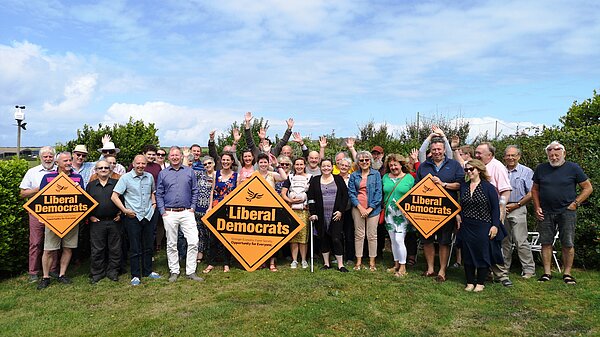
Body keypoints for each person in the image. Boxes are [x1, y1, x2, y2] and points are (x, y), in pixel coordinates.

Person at [532, 141, 593, 285]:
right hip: (545, 212)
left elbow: (588, 188)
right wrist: (537, 207)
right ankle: (547, 273)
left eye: (556, 155)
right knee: (545, 243)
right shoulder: (541, 168)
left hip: (567, 211)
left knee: (567, 243)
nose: (553, 157)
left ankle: (567, 273)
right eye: (551, 155)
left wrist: (576, 203)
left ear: (563, 153)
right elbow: (534, 190)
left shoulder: (573, 168)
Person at [416, 137, 464, 282]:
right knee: (427, 239)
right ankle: (430, 268)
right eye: (434, 149)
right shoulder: (423, 166)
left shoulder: (454, 165)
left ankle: (442, 271)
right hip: (426, 210)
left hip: (446, 210)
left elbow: (460, 185)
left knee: (444, 241)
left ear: (444, 150)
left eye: (439, 149)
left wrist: (443, 184)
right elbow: (416, 187)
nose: (436, 152)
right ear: (430, 151)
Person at [37, 152, 85, 289]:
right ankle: (45, 277)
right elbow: (41, 198)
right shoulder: (48, 177)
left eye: (70, 160)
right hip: (53, 220)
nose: (69, 163)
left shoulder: (78, 177)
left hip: (71, 220)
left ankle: (62, 274)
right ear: (57, 163)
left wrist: (79, 191)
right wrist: (43, 216)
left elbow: (83, 199)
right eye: (65, 161)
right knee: (49, 249)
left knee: (68, 248)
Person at [111, 155, 161, 286]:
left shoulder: (149, 176)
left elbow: (152, 192)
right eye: (138, 163)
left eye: (143, 164)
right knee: (135, 247)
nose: (140, 166)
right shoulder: (126, 178)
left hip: (148, 215)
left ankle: (148, 271)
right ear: (133, 164)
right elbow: (114, 196)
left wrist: (154, 204)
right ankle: (135, 275)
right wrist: (125, 210)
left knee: (148, 245)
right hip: (133, 216)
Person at [457, 159, 506, 292]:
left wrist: (495, 225)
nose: (469, 172)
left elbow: (495, 208)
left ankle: (480, 282)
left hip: (483, 225)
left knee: (482, 253)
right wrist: (458, 214)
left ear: (479, 170)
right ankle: (469, 281)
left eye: (471, 169)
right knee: (467, 253)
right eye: (466, 170)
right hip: (467, 225)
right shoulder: (464, 186)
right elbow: (461, 205)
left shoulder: (488, 187)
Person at [156, 146, 203, 283]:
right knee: (171, 243)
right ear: (169, 157)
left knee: (193, 241)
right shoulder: (163, 173)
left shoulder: (189, 172)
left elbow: (195, 190)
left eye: (177, 155)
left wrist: (193, 207)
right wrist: (162, 211)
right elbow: (159, 194)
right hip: (169, 213)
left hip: (187, 212)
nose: (175, 157)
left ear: (182, 156)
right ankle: (174, 271)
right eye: (172, 155)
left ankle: (191, 271)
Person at [474, 142, 513, 287]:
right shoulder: (477, 166)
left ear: (489, 155)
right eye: (476, 152)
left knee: (493, 243)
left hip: (492, 212)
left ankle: (501, 275)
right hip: (478, 213)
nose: (476, 155)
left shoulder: (497, 167)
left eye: (479, 153)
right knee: (481, 243)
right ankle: (486, 273)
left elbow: (505, 190)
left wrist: (501, 208)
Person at [20, 146, 57, 283]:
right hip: (36, 212)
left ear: (54, 157)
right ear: (40, 158)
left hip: (54, 212)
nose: (48, 159)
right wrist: (38, 190)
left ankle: (52, 269)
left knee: (53, 243)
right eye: (45, 157)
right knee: (35, 243)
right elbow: (23, 193)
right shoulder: (32, 172)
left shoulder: (59, 172)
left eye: (50, 156)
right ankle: (33, 272)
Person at [308, 159, 350, 272]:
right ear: (320, 167)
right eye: (323, 166)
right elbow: (311, 198)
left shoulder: (338, 179)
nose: (326, 168)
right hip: (320, 215)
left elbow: (345, 196)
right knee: (323, 238)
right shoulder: (315, 180)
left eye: (328, 166)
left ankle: (341, 265)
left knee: (336, 238)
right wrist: (313, 213)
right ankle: (327, 264)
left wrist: (341, 211)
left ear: (332, 167)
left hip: (336, 215)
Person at [500, 145, 536, 279]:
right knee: (504, 241)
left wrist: (517, 204)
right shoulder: (500, 170)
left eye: (513, 155)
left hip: (519, 207)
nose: (510, 158)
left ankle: (529, 270)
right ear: (504, 157)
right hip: (502, 208)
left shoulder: (526, 171)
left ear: (518, 157)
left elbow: (531, 192)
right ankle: (503, 269)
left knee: (521, 241)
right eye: (508, 155)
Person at [86, 160, 122, 283]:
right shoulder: (91, 185)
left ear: (110, 169)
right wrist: (90, 216)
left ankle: (113, 272)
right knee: (97, 249)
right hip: (97, 222)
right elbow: (86, 203)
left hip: (114, 221)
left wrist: (121, 214)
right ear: (96, 170)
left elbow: (124, 200)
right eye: (100, 168)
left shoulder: (117, 183)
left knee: (115, 249)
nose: (103, 170)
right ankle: (97, 273)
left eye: (106, 167)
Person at [348, 151, 382, 271]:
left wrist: (369, 209)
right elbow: (351, 193)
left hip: (373, 209)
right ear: (358, 162)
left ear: (370, 161)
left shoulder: (376, 174)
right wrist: (361, 208)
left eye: (366, 160)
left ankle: (372, 263)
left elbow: (379, 192)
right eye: (361, 160)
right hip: (358, 208)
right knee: (359, 235)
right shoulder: (354, 175)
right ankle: (358, 262)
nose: (364, 162)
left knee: (372, 235)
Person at [381, 154, 415, 277]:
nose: (393, 167)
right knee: (393, 240)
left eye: (395, 165)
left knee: (399, 239)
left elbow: (414, 196)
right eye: (391, 165)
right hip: (389, 212)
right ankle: (396, 264)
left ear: (401, 165)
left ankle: (403, 266)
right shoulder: (385, 177)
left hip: (403, 213)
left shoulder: (409, 178)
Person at [205, 152, 238, 273]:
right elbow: (213, 191)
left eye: (228, 160)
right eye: (223, 160)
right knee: (213, 237)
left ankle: (226, 263)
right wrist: (209, 207)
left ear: (232, 162)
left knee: (226, 237)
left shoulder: (236, 176)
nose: (225, 162)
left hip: (229, 209)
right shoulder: (216, 174)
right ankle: (211, 263)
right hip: (216, 207)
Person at [256, 152, 288, 271]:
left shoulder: (272, 174)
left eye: (265, 162)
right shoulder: (254, 175)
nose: (263, 164)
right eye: (261, 162)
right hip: (258, 209)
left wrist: (277, 165)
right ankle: (260, 261)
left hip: (271, 208)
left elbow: (284, 178)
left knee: (271, 237)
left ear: (268, 163)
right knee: (259, 237)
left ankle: (272, 262)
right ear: (258, 164)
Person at [281, 157, 311, 269]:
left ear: (304, 165)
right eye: (297, 164)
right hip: (292, 210)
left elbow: (311, 193)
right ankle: (294, 260)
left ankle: (303, 260)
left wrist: (307, 203)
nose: (299, 166)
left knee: (303, 237)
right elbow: (283, 193)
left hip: (304, 211)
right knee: (293, 236)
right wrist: (290, 201)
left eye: (301, 164)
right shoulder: (290, 177)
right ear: (294, 166)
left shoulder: (310, 178)